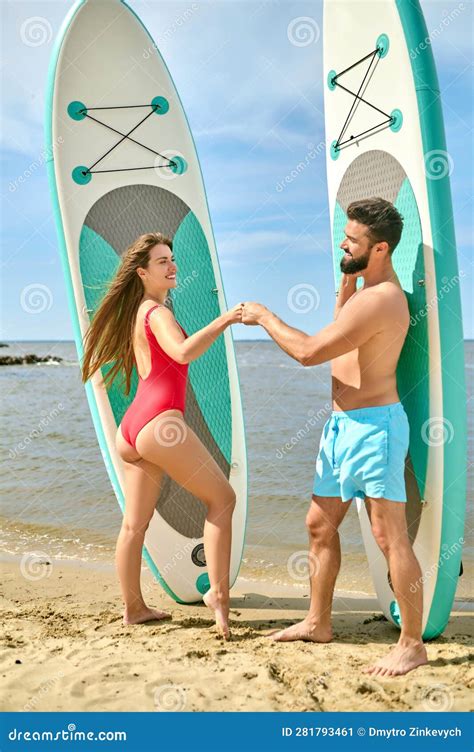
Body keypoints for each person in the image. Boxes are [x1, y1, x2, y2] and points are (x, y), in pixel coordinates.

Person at [242, 197, 428, 677]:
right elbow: (341, 334)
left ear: (381, 248)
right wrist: (347, 282)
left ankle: (412, 644)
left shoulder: (384, 299)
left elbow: (309, 352)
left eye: (353, 240)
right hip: (341, 427)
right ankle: (317, 621)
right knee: (319, 525)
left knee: (390, 537)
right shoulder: (363, 293)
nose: (342, 244)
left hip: (375, 429)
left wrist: (264, 316)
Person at [81, 232, 243, 638]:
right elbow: (183, 353)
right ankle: (218, 599)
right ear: (142, 272)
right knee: (223, 499)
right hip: (160, 424)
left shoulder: (139, 312)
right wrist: (225, 319)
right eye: (161, 262)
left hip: (134, 429)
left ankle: (133, 608)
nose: (172, 266)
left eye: (172, 258)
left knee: (134, 525)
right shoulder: (156, 313)